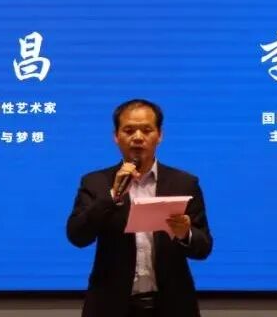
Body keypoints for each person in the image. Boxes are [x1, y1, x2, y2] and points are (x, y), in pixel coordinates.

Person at [66, 98, 212, 317]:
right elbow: (77, 236)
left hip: (172, 305)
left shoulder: (184, 183)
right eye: (129, 130)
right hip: (111, 305)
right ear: (116, 136)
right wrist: (113, 196)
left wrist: (185, 234)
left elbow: (204, 248)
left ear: (159, 135)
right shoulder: (96, 183)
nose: (137, 137)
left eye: (146, 130)